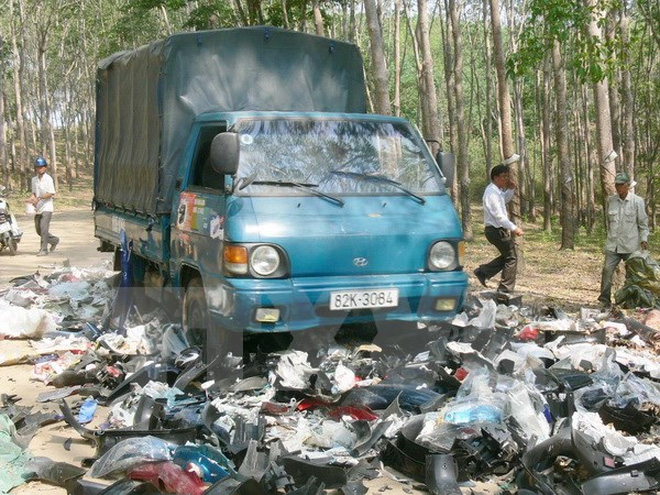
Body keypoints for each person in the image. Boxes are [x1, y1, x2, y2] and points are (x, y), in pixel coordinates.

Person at [598, 172, 649, 308]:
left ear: (627, 186)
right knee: (607, 271)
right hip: (613, 245)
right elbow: (608, 222)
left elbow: (643, 224)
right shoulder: (611, 201)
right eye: (616, 185)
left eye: (621, 185)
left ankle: (630, 301)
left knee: (632, 275)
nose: (618, 187)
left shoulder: (637, 201)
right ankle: (604, 300)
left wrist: (644, 239)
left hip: (630, 245)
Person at [473, 164, 524, 294]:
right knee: (511, 257)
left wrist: (511, 190)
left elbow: (504, 200)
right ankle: (505, 289)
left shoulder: (497, 192)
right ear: (495, 178)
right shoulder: (491, 193)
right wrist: (514, 228)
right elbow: (499, 217)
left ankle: (483, 272)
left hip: (498, 230)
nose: (506, 179)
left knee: (508, 256)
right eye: (503, 177)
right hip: (495, 230)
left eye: (507, 177)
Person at [28, 156, 59, 256]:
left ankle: (43, 249)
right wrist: (31, 199)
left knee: (44, 228)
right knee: (39, 230)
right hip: (38, 208)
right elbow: (33, 192)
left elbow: (51, 193)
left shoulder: (48, 179)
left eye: (41, 167)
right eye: (37, 167)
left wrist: (39, 197)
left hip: (47, 207)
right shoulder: (34, 180)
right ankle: (54, 240)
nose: (39, 169)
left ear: (45, 167)